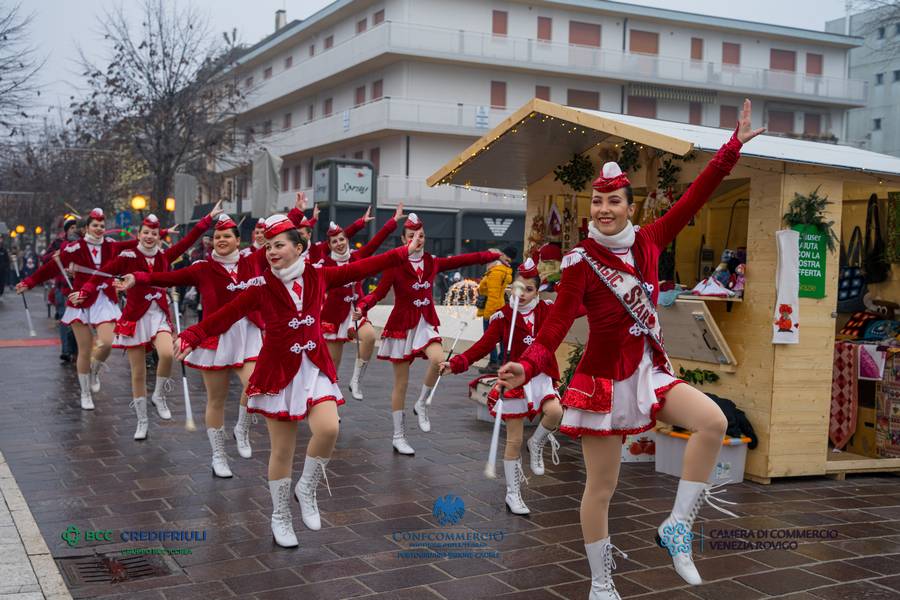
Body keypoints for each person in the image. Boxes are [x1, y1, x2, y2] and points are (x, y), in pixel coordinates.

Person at [498, 99, 763, 599]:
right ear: (592, 207)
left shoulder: (651, 240)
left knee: (713, 422)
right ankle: (601, 582)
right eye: (598, 203)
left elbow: (696, 198)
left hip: (648, 370)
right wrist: (529, 362)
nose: (605, 210)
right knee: (600, 489)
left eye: (614, 202)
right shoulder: (579, 262)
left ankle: (677, 526)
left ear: (629, 205)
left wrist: (732, 148)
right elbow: (554, 326)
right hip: (601, 382)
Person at [172, 213, 423, 548]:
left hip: (315, 366)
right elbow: (226, 315)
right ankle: (280, 515)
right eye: (270, 246)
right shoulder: (260, 286)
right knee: (283, 449)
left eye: (279, 245)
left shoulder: (319, 276)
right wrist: (193, 334)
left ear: (299, 247)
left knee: (329, 428)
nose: (272, 251)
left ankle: (306, 487)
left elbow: (361, 268)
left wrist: (402, 251)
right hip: (278, 371)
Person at [117, 212, 264, 475]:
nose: (220, 240)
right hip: (214, 337)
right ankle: (218, 455)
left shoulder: (252, 260)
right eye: (216, 237)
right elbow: (168, 278)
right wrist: (139, 278)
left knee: (255, 386)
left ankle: (242, 428)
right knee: (216, 399)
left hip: (247, 333)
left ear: (238, 240)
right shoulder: (202, 268)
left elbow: (284, 245)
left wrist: (297, 214)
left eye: (226, 236)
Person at [356, 213, 507, 455]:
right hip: (401, 326)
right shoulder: (395, 263)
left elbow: (460, 260)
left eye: (421, 235)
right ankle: (398, 436)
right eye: (412, 235)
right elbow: (379, 293)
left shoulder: (432, 262)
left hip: (425, 322)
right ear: (403, 239)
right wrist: (363, 306)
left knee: (438, 360)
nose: (418, 239)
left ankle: (422, 403)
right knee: (401, 384)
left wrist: (492, 255)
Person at [81, 206, 219, 440]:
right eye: (146, 232)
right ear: (139, 233)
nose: (149, 237)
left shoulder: (164, 256)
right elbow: (102, 273)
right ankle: (142, 420)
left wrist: (207, 220)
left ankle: (158, 395)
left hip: (158, 314)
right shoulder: (128, 256)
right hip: (135, 316)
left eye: (154, 233)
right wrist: (85, 290)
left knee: (167, 354)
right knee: (137, 373)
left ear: (158, 236)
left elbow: (187, 241)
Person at [441, 258, 563, 515]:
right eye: (519, 288)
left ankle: (538, 443)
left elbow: (578, 309)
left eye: (529, 289)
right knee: (514, 440)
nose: (523, 294)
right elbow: (483, 346)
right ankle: (513, 493)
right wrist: (458, 363)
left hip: (540, 376)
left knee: (555, 412)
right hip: (513, 380)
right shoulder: (502, 317)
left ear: (537, 291)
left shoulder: (548, 310)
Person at [17, 208, 136, 410]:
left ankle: (95, 370)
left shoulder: (112, 246)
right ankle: (85, 393)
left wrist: (159, 233)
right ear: (86, 228)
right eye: (95, 225)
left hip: (104, 299)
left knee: (107, 343)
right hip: (80, 300)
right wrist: (29, 282)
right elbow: (51, 268)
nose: (99, 229)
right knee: (84, 349)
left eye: (102, 226)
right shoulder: (74, 248)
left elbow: (138, 243)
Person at [321, 203, 406, 400]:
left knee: (368, 337)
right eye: (334, 241)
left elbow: (376, 242)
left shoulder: (358, 256)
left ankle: (356, 379)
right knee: (333, 364)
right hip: (333, 316)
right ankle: (329, 402)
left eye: (342, 239)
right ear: (330, 245)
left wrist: (393, 221)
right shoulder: (326, 264)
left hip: (356, 311)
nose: (340, 243)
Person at [476, 248, 512, 372]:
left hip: (492, 309)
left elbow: (493, 295)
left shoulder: (495, 272)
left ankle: (494, 362)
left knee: (489, 338)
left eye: (487, 256)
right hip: (499, 307)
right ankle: (501, 361)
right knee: (500, 337)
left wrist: (487, 314)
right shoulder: (499, 271)